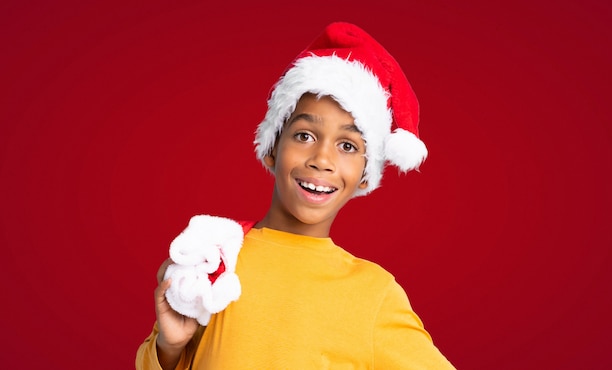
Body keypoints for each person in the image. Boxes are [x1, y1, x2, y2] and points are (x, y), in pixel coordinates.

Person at [136, 22, 456, 369]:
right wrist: (169, 347)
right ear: (272, 147)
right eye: (304, 135)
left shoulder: (373, 295)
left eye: (347, 145)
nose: (321, 160)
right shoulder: (216, 258)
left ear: (365, 176)